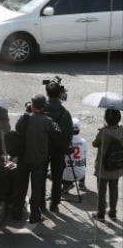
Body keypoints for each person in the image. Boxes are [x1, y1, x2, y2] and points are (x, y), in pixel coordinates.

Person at [11, 94, 53, 224]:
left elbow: (17, 130)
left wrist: (27, 113)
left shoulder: (25, 119)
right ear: (44, 106)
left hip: (24, 157)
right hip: (40, 159)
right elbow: (53, 136)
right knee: (37, 189)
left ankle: (17, 212)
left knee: (21, 186)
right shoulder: (48, 121)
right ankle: (35, 215)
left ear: (32, 105)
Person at [44, 81, 73, 212]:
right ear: (60, 95)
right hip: (58, 150)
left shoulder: (41, 109)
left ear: (46, 94)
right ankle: (54, 204)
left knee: (40, 176)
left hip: (42, 148)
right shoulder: (65, 114)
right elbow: (69, 135)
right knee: (57, 178)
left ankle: (40, 203)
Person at [91, 109, 123, 222]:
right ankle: (113, 213)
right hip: (117, 167)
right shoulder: (122, 131)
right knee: (114, 189)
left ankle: (100, 214)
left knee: (101, 191)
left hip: (103, 167)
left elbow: (94, 144)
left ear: (106, 119)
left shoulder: (103, 132)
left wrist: (102, 129)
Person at [62, 118, 87, 193]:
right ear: (79, 129)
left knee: (50, 171)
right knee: (83, 159)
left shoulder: (65, 141)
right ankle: (81, 183)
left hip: (66, 175)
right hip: (80, 173)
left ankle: (66, 184)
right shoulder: (84, 142)